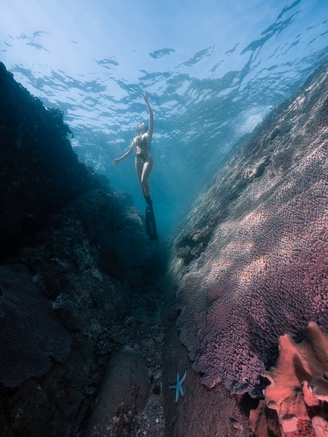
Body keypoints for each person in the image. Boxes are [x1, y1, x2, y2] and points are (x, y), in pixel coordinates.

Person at [112, 91, 154, 209]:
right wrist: (119, 159)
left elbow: (151, 117)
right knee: (141, 184)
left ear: (145, 126)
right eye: (139, 123)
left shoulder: (148, 134)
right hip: (137, 159)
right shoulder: (135, 139)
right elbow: (129, 151)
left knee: (144, 181)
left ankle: (150, 201)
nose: (141, 123)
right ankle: (147, 202)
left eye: (142, 123)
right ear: (137, 128)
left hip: (147, 158)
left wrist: (147, 103)